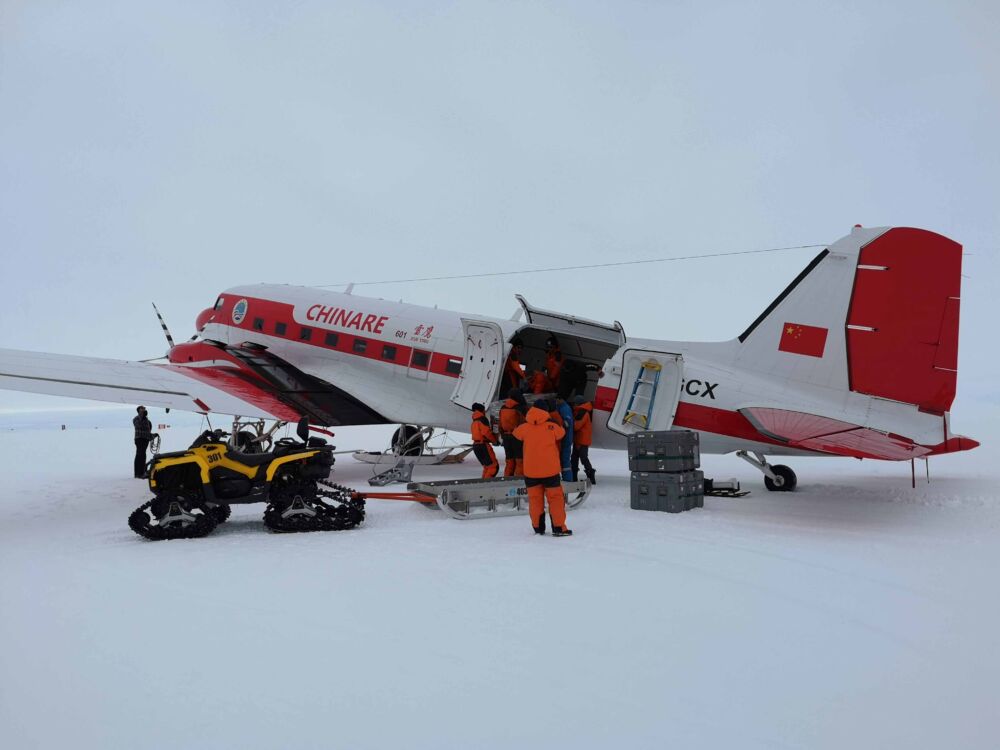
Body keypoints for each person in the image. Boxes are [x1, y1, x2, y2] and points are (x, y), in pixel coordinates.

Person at [513, 400, 572, 536]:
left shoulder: (524, 427)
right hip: (550, 471)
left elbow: (516, 433)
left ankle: (538, 528)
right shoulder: (551, 426)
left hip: (531, 472)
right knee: (555, 499)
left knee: (535, 500)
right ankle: (558, 528)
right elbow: (562, 433)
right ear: (545, 411)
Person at [498, 389, 526, 476]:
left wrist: (502, 434)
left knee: (509, 460)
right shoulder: (520, 408)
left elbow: (500, 424)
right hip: (516, 437)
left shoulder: (503, 408)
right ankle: (518, 479)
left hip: (506, 437)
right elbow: (523, 423)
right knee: (519, 460)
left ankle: (507, 478)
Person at [571, 395, 596, 484]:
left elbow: (576, 426)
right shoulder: (582, 411)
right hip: (581, 439)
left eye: (574, 403)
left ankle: (590, 477)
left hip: (581, 440)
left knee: (582, 458)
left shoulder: (582, 412)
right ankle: (587, 476)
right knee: (576, 458)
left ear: (577, 403)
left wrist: (569, 424)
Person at [470, 402, 499, 478]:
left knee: (487, 467)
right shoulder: (482, 419)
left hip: (476, 446)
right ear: (482, 410)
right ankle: (487, 485)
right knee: (494, 467)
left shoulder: (474, 421)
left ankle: (482, 484)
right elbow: (486, 432)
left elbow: (479, 434)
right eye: (484, 410)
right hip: (483, 446)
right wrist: (494, 441)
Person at [553, 397, 575, 481]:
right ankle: (567, 478)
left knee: (565, 460)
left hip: (565, 439)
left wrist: (557, 423)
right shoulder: (562, 407)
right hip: (564, 438)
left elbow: (567, 423)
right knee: (564, 460)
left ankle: (568, 479)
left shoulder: (564, 408)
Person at [133, 405, 154, 478]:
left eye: (144, 409)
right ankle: (138, 473)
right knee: (140, 455)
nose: (144, 410)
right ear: (139, 410)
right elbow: (139, 426)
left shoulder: (147, 420)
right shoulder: (136, 419)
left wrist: (153, 436)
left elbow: (147, 431)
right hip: (139, 439)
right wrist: (142, 416)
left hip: (145, 439)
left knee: (143, 455)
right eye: (142, 409)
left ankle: (142, 472)